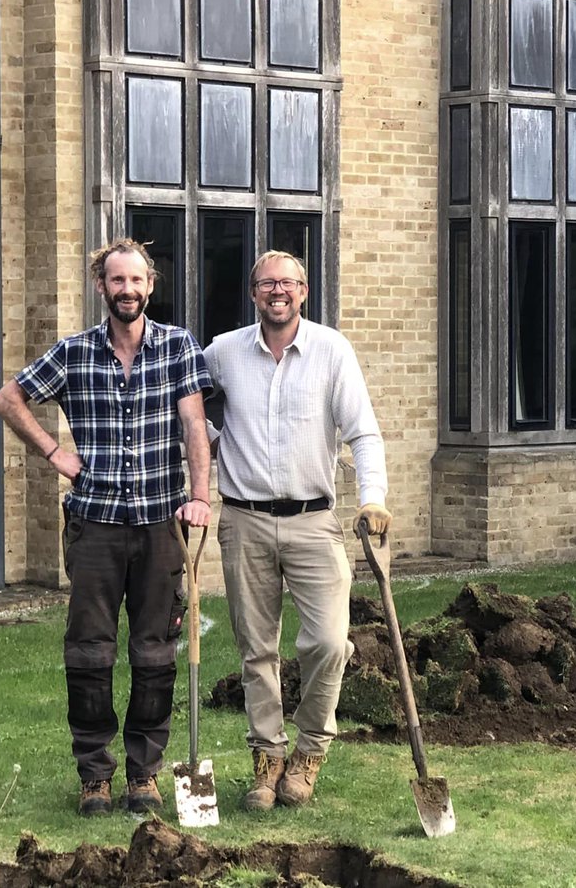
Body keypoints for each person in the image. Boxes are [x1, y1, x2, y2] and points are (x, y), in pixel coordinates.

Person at [0, 238, 212, 817]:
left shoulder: (179, 348)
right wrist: (52, 452)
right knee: (89, 653)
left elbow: (194, 424)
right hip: (94, 526)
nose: (128, 290)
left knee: (155, 652)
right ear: (101, 287)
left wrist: (200, 496)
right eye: (117, 281)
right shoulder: (73, 353)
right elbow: (7, 399)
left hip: (162, 524)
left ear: (150, 286)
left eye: (137, 281)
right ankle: (95, 776)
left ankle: (144, 775)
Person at [203, 250, 391, 810]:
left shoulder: (332, 351)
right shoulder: (223, 353)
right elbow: (189, 411)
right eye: (266, 284)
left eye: (287, 283)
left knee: (329, 643)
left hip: (315, 520)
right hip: (243, 520)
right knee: (256, 650)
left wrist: (373, 499)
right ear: (253, 293)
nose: (277, 292)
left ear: (304, 292)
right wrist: (207, 450)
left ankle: (309, 751)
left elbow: (364, 434)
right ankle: (267, 760)